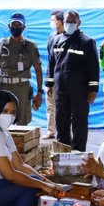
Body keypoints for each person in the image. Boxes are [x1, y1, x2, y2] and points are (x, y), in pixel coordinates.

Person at [47, 10, 99, 151]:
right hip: (61, 90)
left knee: (79, 122)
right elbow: (51, 64)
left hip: (80, 91)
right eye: (66, 22)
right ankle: (62, 153)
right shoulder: (56, 40)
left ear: (78, 23)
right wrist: (49, 84)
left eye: (72, 22)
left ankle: (78, 153)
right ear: (62, 22)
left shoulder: (87, 42)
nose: (69, 25)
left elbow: (93, 67)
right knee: (61, 122)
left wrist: (92, 90)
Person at [0, 13, 42, 126]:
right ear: (8, 26)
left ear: (24, 28)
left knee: (22, 120)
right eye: (13, 24)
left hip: (21, 88)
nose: (16, 27)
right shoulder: (2, 45)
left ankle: (19, 144)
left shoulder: (30, 46)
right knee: (2, 118)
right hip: (4, 86)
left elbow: (38, 69)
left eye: (19, 25)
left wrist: (39, 92)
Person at [43, 10, 64, 139]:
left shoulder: (68, 37)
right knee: (51, 105)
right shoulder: (51, 37)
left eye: (53, 20)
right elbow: (50, 61)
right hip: (53, 77)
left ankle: (65, 130)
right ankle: (51, 130)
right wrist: (49, 82)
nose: (51, 23)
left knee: (65, 107)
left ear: (61, 21)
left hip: (65, 79)